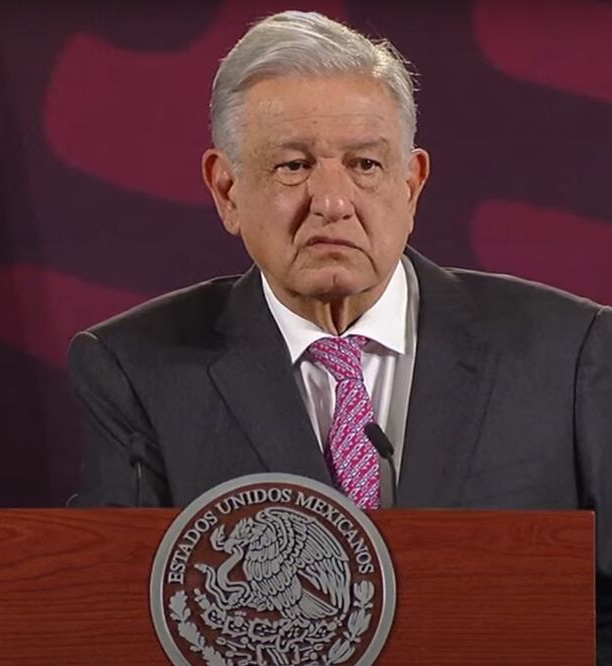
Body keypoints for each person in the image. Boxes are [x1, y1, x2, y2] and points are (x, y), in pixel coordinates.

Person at [66, 10, 611, 659]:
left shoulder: (569, 351)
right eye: (293, 167)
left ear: (411, 183)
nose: (331, 200)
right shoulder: (135, 370)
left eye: (364, 165)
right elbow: (115, 619)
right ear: (226, 188)